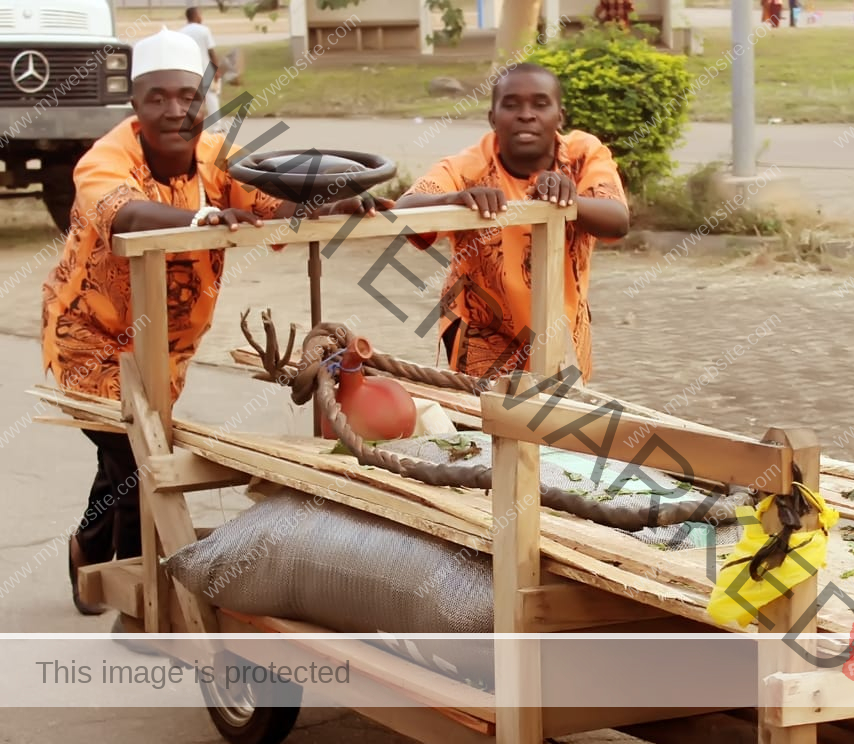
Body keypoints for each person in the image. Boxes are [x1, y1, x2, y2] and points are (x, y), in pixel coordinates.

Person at [42, 28, 385, 625]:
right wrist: (199, 215)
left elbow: (269, 206)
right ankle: (138, 590)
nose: (176, 110)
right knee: (137, 456)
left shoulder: (220, 157)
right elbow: (121, 212)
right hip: (90, 337)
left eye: (189, 96)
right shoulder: (105, 158)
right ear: (134, 103)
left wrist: (327, 201)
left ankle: (95, 553)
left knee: (133, 453)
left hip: (168, 341)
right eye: (158, 98)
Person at [394, 62, 630, 385]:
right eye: (511, 104)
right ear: (493, 118)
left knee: (558, 428)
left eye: (540, 104)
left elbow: (617, 220)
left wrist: (570, 200)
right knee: (494, 425)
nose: (526, 115)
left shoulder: (582, 155)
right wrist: (455, 199)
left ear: (560, 116)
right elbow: (404, 210)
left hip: (559, 326)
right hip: (484, 334)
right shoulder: (469, 167)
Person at [179, 7, 222, 130]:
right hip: (206, 68)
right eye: (200, 15)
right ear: (196, 15)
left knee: (191, 99)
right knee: (211, 97)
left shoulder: (181, 32)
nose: (201, 17)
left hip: (189, 70)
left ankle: (190, 126)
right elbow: (211, 51)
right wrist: (216, 69)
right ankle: (216, 127)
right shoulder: (204, 30)